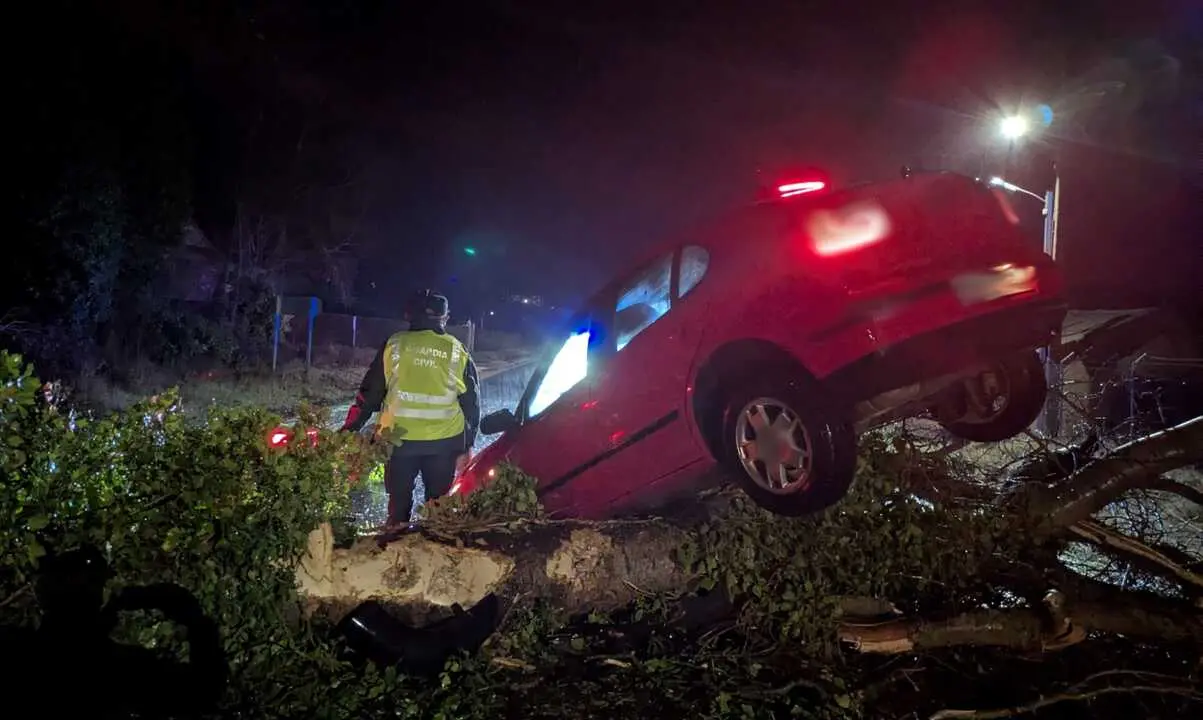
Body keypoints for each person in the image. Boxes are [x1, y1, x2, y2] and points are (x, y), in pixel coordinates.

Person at [341, 290, 480, 528]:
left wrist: (350, 428)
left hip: (398, 443)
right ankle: (434, 552)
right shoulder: (457, 350)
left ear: (410, 315)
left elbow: (371, 394)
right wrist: (468, 445)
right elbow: (472, 405)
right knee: (438, 511)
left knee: (398, 509)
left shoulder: (394, 345)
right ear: (444, 318)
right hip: (444, 444)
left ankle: (395, 545)